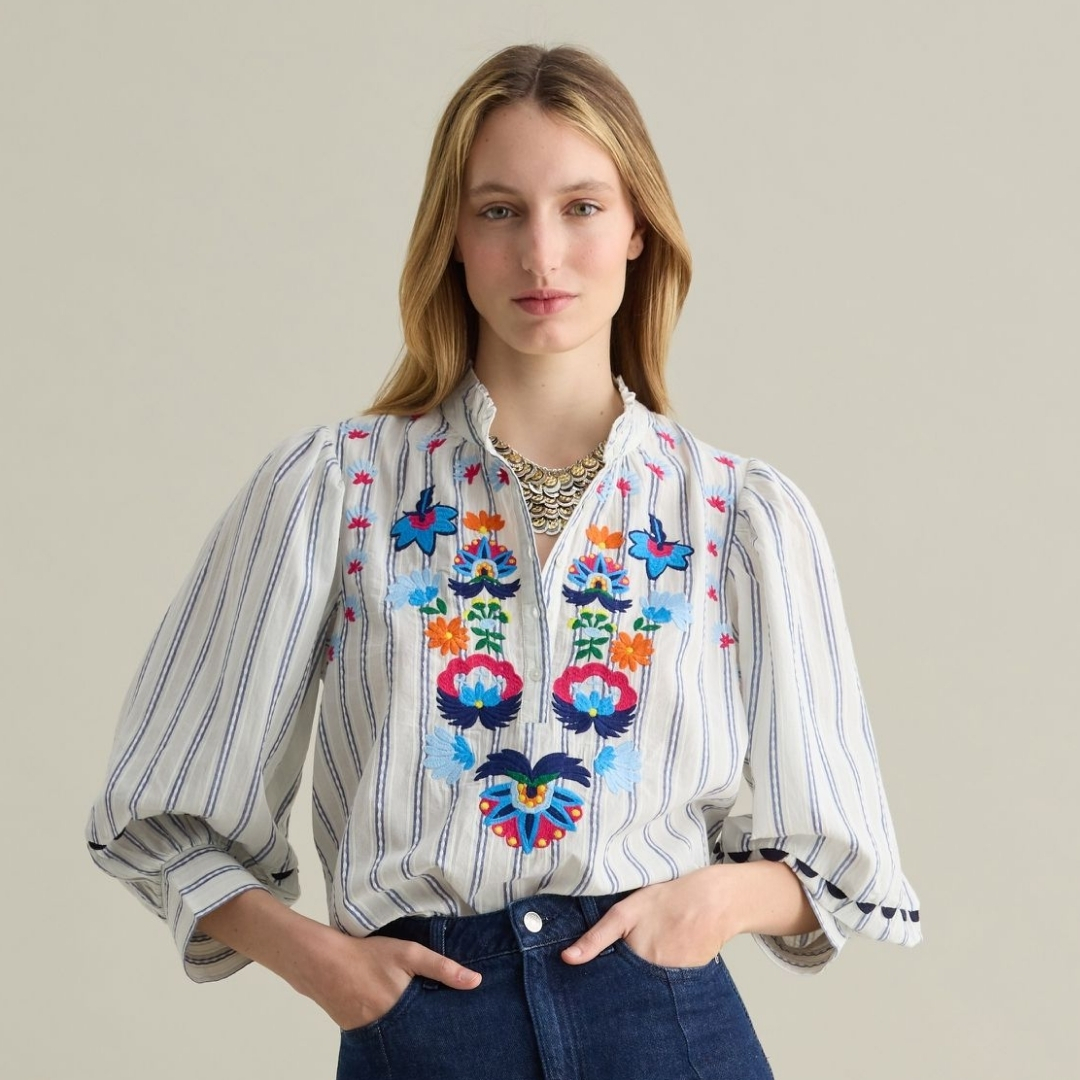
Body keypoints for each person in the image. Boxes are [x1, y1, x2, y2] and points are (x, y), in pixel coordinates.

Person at [86, 43, 922, 1079]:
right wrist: (327, 968)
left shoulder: (736, 515)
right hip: (427, 1032)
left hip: (665, 1029)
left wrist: (713, 898)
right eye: (498, 210)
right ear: (452, 235)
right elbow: (159, 810)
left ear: (638, 228)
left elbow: (842, 855)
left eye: (581, 207)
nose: (540, 254)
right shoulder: (336, 489)